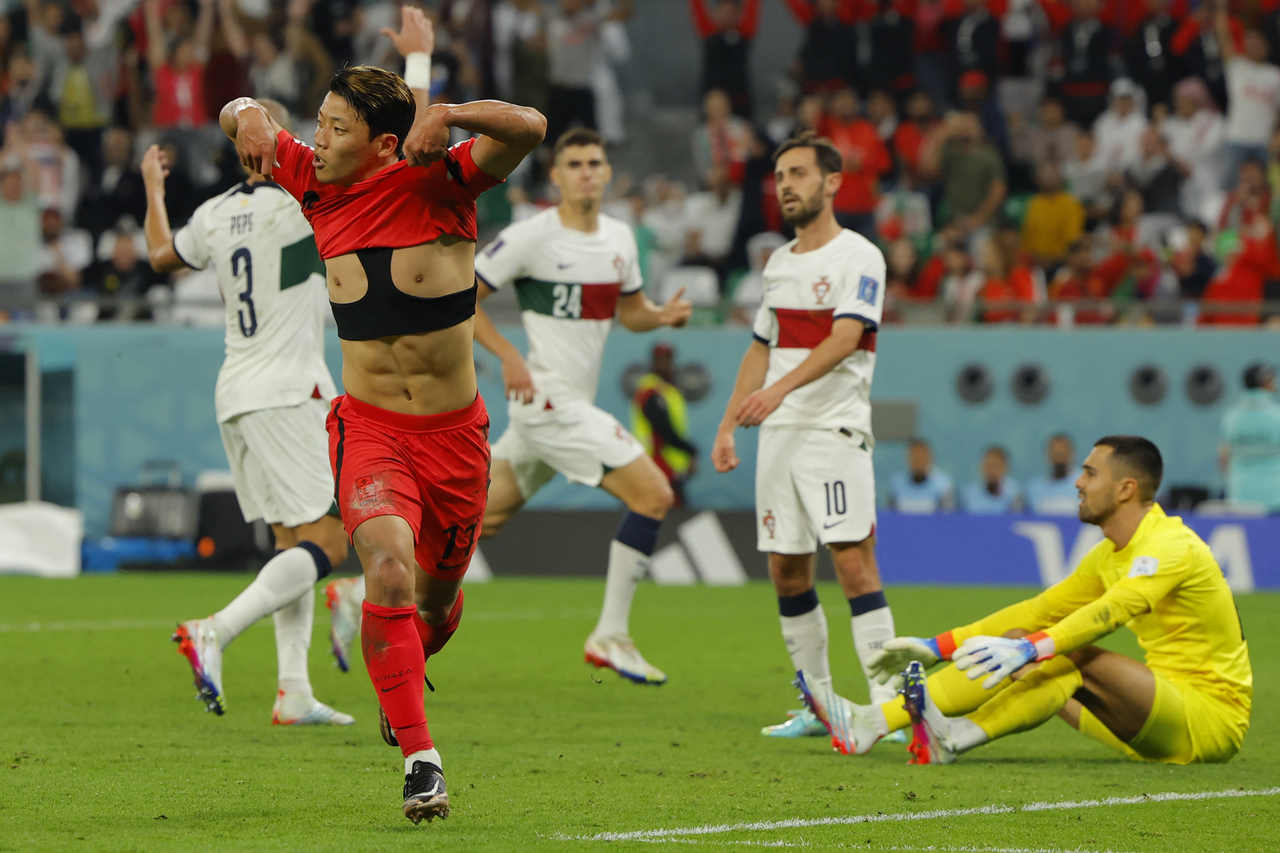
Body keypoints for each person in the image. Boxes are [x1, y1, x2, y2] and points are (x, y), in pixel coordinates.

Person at [220, 7, 545, 824]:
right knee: (387, 570)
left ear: (384, 145)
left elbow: (533, 126)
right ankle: (421, 759)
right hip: (368, 430)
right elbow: (236, 115)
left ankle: (400, 678)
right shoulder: (312, 182)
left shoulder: (445, 181)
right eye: (317, 124)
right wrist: (249, 112)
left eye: (334, 128)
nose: (316, 139)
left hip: (456, 441)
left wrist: (454, 110)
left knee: (432, 604)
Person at [810, 436, 1252, 768]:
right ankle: (873, 721)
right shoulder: (1109, 554)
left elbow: (1113, 611)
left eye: (1090, 473)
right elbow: (1037, 612)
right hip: (1144, 720)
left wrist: (1032, 648)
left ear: (1125, 488)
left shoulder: (1170, 546)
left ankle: (952, 737)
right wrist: (937, 647)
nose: (1078, 482)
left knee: (1061, 653)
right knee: (1028, 640)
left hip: (1208, 720)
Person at [143, 99, 356, 728]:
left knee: (292, 541)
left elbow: (160, 256)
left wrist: (154, 189)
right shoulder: (305, 202)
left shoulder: (214, 215)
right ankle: (215, 630)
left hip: (236, 391)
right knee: (331, 538)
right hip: (288, 391)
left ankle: (293, 690)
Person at [471, 127, 692, 685]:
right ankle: (611, 635)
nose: (587, 171)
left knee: (477, 521)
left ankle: (363, 594)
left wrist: (661, 316)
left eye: (595, 162)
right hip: (546, 401)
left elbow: (632, 312)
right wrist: (508, 357)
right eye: (574, 164)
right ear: (556, 176)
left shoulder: (620, 238)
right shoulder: (530, 236)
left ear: (608, 172)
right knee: (654, 493)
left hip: (565, 408)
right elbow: (463, 299)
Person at [711, 131, 902, 741]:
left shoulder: (859, 256)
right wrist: (727, 422)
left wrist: (778, 390)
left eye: (798, 173)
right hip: (778, 438)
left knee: (854, 565)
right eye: (781, 176)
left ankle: (892, 707)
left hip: (833, 431)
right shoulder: (778, 263)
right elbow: (759, 348)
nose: (786, 185)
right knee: (788, 573)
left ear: (833, 182)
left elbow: (846, 338)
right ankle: (820, 707)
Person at [631, 342, 699, 507]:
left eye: (667, 359)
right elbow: (663, 430)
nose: (664, 364)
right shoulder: (651, 391)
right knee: (672, 517)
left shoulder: (667, 391)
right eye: (660, 360)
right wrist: (690, 451)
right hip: (658, 464)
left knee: (663, 517)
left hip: (668, 466)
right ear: (652, 362)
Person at [1220, 362, 1280, 513]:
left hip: (1240, 494)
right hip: (1275, 495)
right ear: (1265, 382)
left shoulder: (1231, 417)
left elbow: (1224, 457)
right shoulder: (1277, 415)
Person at [887, 437, 954, 514]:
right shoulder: (897, 483)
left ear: (929, 457)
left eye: (921, 455)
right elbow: (890, 515)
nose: (918, 460)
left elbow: (947, 517)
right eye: (914, 456)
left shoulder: (943, 484)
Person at [1026, 433, 1080, 515]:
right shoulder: (1034, 489)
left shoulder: (1088, 486)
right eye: (1056, 454)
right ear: (1047, 455)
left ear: (1072, 454)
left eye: (1062, 454)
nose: (1059, 460)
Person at [960, 445, 1024, 513]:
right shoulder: (969, 493)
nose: (991, 470)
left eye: (995, 465)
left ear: (1005, 468)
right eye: (987, 465)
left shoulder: (1015, 492)